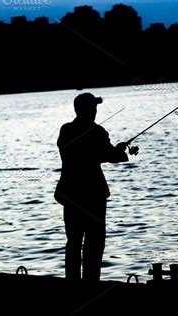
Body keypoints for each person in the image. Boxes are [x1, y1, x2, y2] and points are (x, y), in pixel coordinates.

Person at [54, 92, 130, 282]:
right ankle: (91, 284)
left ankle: (72, 283)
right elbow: (109, 155)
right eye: (94, 107)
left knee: (73, 241)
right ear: (90, 109)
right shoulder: (98, 132)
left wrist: (112, 150)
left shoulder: (66, 130)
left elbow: (86, 152)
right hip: (93, 196)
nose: (96, 110)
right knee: (94, 242)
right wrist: (120, 151)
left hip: (70, 195)